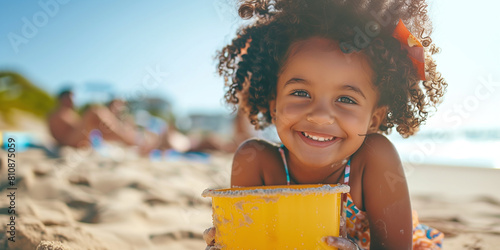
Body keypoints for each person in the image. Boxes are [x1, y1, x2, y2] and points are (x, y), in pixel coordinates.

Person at [205, 0, 446, 249]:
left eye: (345, 99)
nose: (320, 116)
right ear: (273, 106)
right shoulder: (255, 161)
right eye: (300, 93)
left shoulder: (373, 160)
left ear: (375, 119)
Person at [48, 90, 142, 149]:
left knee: (100, 117)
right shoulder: (57, 114)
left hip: (73, 139)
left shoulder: (67, 113)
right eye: (70, 98)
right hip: (68, 142)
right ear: (63, 99)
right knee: (94, 112)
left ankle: (129, 139)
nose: (73, 101)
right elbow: (61, 135)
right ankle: (128, 140)